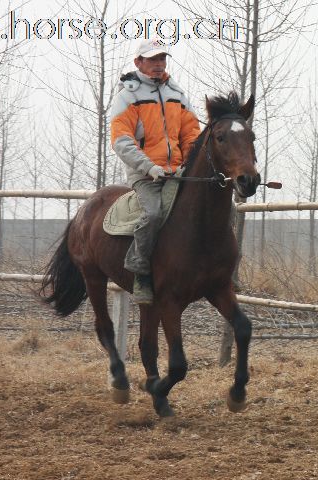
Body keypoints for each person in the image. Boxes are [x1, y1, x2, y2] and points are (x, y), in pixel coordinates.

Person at [110, 38, 201, 304]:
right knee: (152, 214)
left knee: (220, 207)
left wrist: (189, 163)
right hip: (145, 175)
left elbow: (191, 134)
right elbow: (121, 141)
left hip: (178, 172)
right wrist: (149, 167)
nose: (159, 64)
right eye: (152, 60)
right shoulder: (127, 96)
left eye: (162, 59)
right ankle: (141, 273)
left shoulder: (177, 93)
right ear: (139, 63)